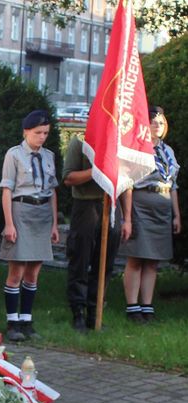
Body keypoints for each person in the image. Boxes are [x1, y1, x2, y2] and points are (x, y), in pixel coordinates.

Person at [0, 110, 59, 341]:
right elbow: (7, 190)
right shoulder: (14, 155)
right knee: (17, 270)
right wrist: (9, 224)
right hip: (21, 211)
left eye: (45, 133)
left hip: (42, 214)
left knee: (33, 271)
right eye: (37, 133)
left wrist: (54, 223)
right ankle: (12, 321)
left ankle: (26, 319)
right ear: (26, 131)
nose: (42, 137)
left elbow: (52, 190)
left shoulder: (49, 156)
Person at [63, 136, 131, 332]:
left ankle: (95, 313)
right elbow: (69, 177)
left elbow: (126, 184)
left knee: (105, 264)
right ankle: (78, 313)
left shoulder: (118, 143)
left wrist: (127, 218)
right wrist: (98, 170)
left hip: (111, 206)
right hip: (86, 206)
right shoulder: (80, 142)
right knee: (81, 260)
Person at [121, 106, 181, 323]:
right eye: (154, 122)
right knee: (136, 256)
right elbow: (128, 183)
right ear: (145, 125)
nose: (158, 126)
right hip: (141, 202)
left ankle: (147, 306)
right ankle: (132, 306)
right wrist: (127, 217)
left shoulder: (169, 151)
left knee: (153, 260)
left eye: (162, 123)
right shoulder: (137, 149)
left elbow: (173, 184)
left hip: (163, 205)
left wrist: (177, 215)